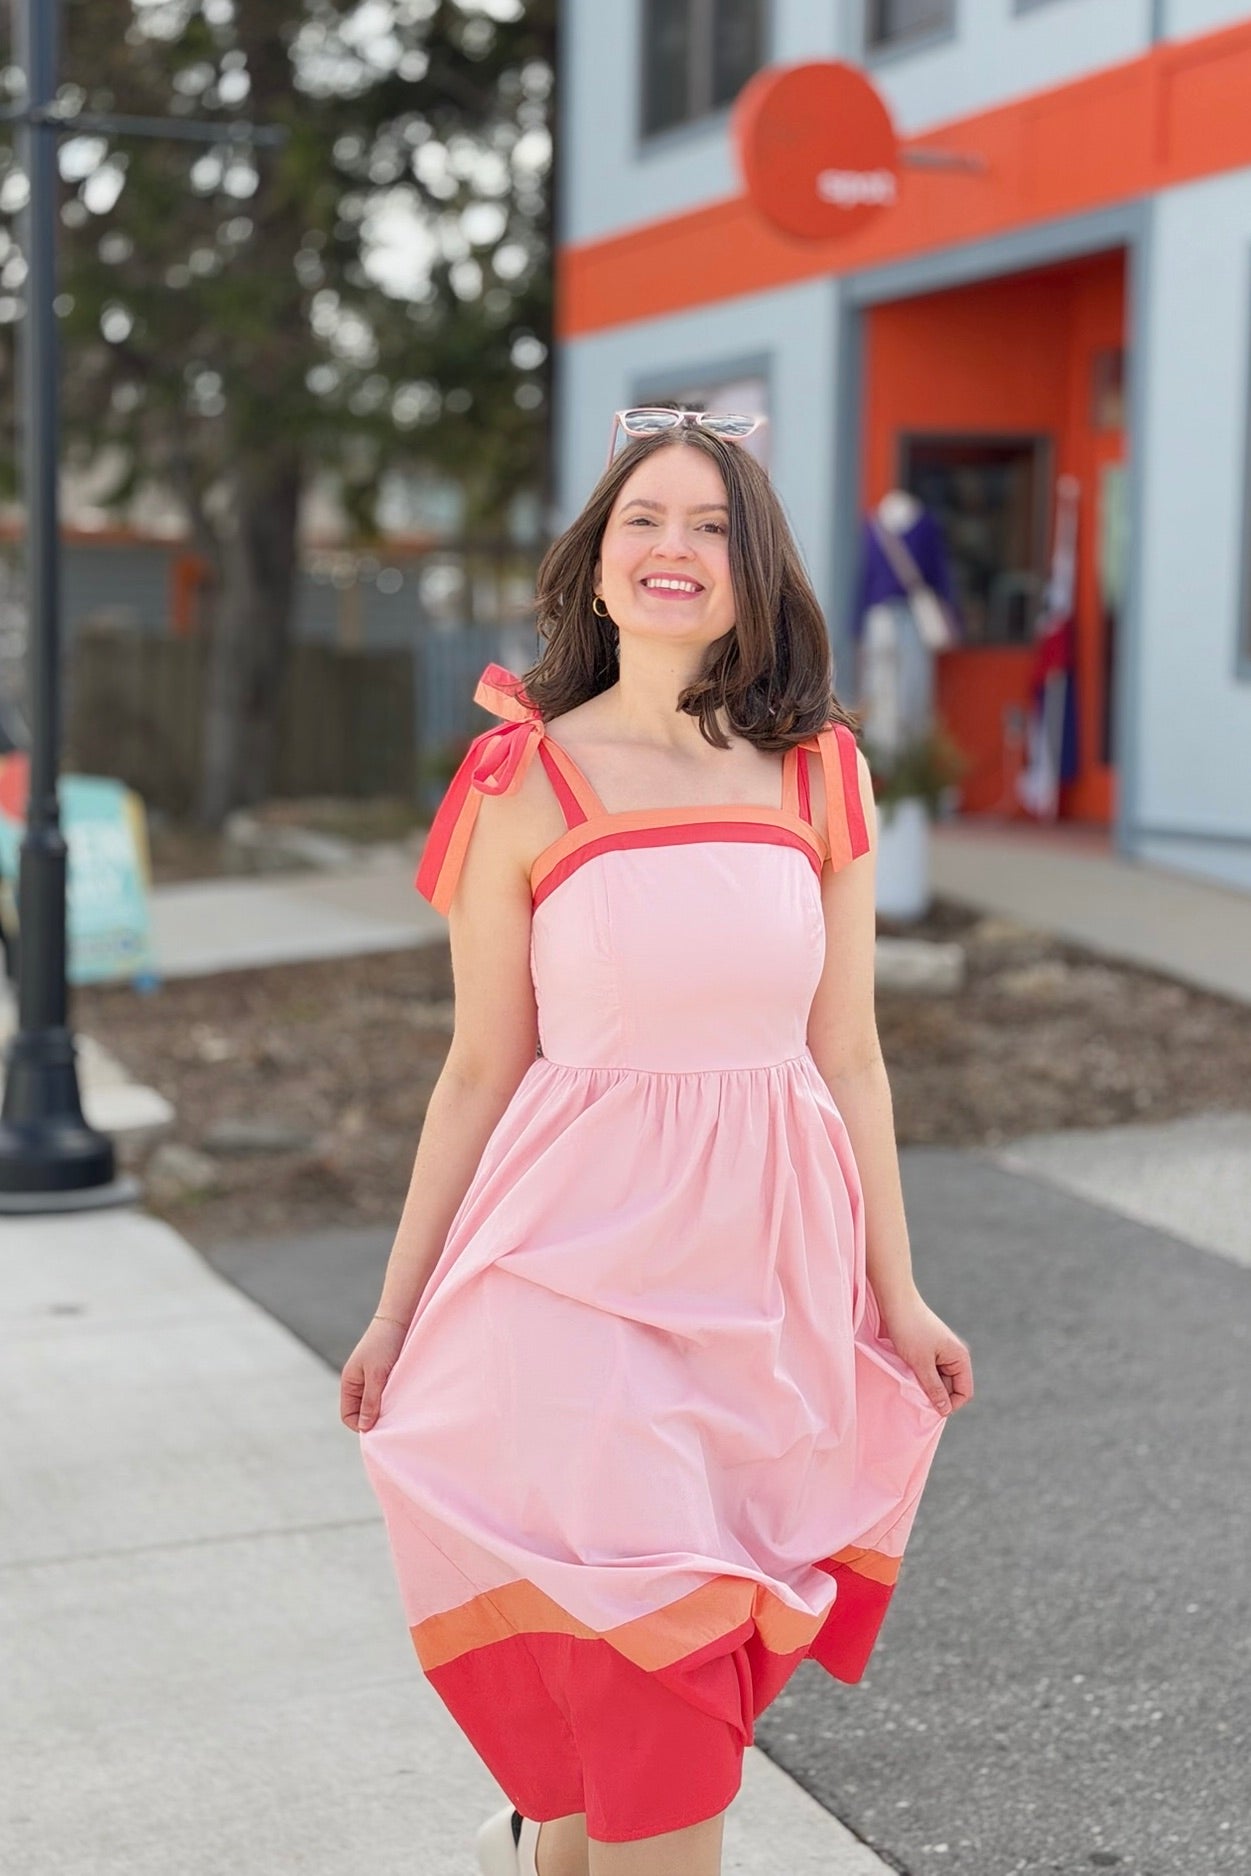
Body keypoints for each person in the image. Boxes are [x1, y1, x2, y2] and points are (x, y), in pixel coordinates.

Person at [340, 409, 974, 1876]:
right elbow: (481, 1065)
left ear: (752, 575)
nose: (673, 548)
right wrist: (394, 1307)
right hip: (570, 1279)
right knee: (659, 1710)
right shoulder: (520, 782)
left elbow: (851, 1055)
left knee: (626, 1751)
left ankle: (547, 1839)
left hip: (762, 1284)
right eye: (645, 521)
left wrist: (902, 1288)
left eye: (709, 527)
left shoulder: (822, 776)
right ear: (597, 563)